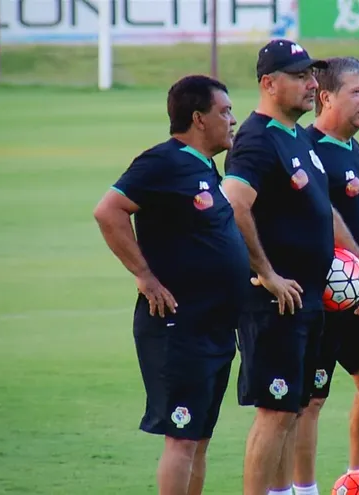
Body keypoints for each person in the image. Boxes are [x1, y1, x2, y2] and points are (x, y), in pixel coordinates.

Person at [93, 75, 249, 495]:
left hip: (213, 328)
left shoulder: (204, 168)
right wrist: (145, 276)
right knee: (181, 439)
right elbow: (108, 211)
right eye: (225, 111)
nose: (233, 119)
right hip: (178, 328)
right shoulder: (163, 162)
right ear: (198, 119)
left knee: (198, 439)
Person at [220, 39, 335, 495]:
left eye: (313, 74)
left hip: (305, 297)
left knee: (292, 409)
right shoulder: (256, 139)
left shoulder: (298, 136)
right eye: (300, 76)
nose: (312, 84)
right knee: (274, 411)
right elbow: (234, 206)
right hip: (274, 303)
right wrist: (266, 273)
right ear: (269, 83)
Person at [290, 56, 359, 495]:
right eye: (357, 92)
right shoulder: (308, 147)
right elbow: (316, 218)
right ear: (326, 96)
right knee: (310, 400)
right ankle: (304, 488)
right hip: (326, 296)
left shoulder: (351, 145)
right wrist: (358, 271)